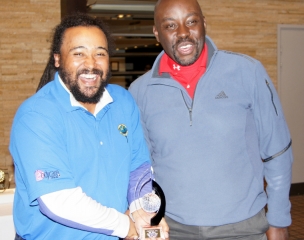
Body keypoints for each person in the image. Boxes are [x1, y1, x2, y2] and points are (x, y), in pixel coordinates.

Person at [128, 0, 293, 239]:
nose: (183, 33)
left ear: (204, 24)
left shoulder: (247, 72)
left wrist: (278, 222)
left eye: (192, 22)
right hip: (174, 230)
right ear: (156, 33)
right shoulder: (139, 92)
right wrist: (150, 225)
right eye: (171, 25)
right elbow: (143, 170)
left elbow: (278, 150)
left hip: (243, 228)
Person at [9, 13, 168, 240]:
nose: (91, 64)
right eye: (79, 53)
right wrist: (127, 226)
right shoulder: (36, 115)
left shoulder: (123, 101)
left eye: (100, 53)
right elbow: (58, 200)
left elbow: (138, 168)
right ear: (57, 59)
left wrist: (144, 213)